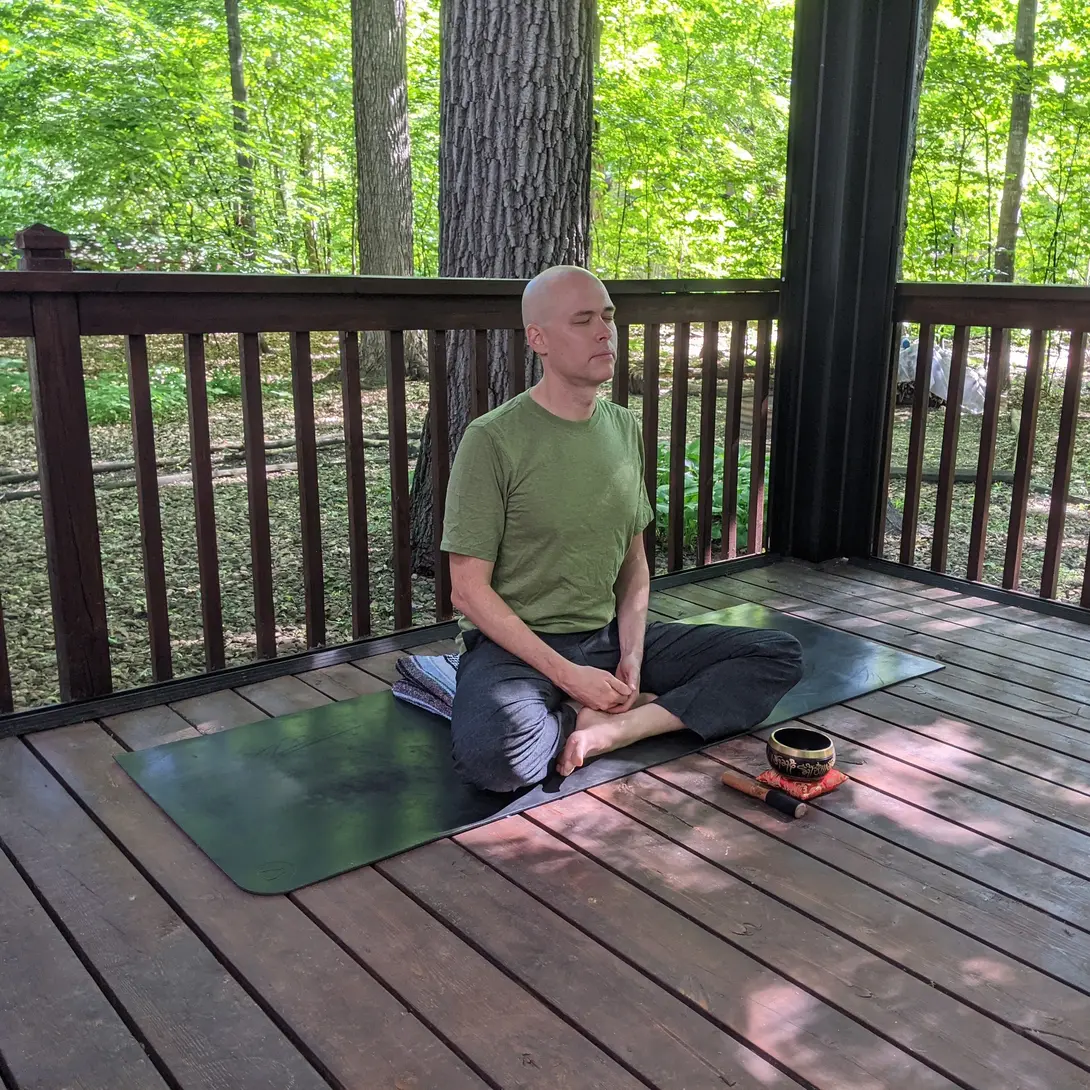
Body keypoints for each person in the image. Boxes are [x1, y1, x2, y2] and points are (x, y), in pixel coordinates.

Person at [440, 265, 803, 793]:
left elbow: (633, 563)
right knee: (496, 759)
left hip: (606, 639)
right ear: (538, 338)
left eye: (608, 316)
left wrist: (631, 656)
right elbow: (468, 591)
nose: (605, 332)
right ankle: (581, 712)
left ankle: (618, 728)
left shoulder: (623, 427)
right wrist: (570, 678)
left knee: (778, 655)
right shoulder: (493, 439)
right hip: (517, 648)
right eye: (583, 320)